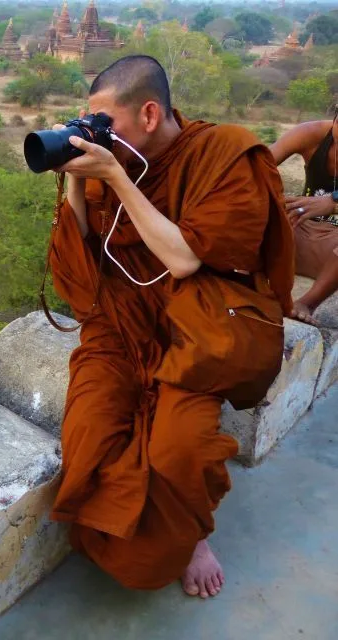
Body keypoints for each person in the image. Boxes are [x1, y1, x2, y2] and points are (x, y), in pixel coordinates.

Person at [46, 56, 294, 598]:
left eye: (105, 124)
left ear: (150, 113)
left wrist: (114, 175)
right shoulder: (119, 160)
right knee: (87, 431)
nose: (96, 136)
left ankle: (193, 537)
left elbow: (184, 260)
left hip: (198, 325)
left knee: (177, 449)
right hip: (121, 323)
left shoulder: (224, 154)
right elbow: (81, 262)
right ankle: (115, 530)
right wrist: (73, 182)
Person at [270, 109, 338, 324]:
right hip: (298, 230)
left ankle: (306, 303)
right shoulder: (310, 133)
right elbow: (254, 168)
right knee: (254, 209)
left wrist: (332, 202)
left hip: (332, 252)